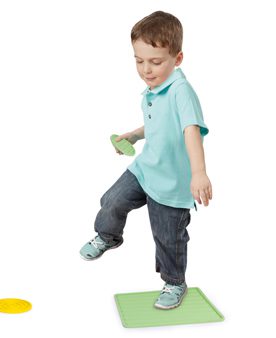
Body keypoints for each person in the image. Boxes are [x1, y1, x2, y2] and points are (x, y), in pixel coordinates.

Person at [80, 11, 212, 309]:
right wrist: (134, 135)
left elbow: (190, 130)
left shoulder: (181, 92)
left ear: (178, 59)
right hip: (145, 168)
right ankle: (108, 236)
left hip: (172, 183)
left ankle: (175, 282)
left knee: (168, 236)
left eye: (155, 62)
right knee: (113, 200)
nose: (146, 69)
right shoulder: (154, 89)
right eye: (139, 61)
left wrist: (199, 172)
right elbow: (159, 125)